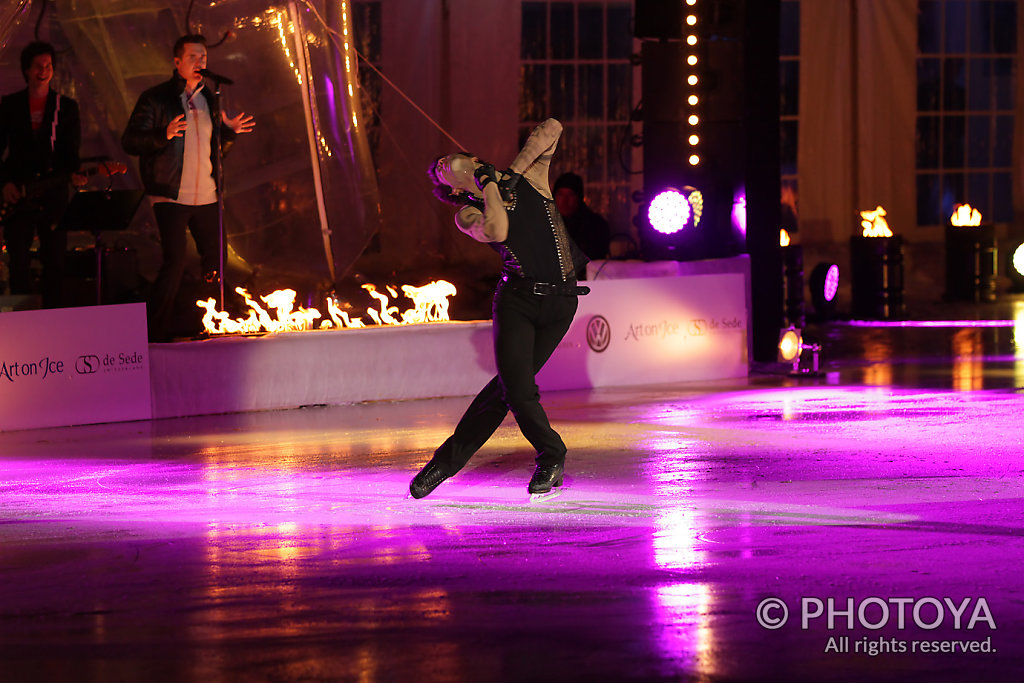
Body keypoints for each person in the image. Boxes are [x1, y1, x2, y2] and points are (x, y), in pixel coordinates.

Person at [412, 118, 589, 498]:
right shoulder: (467, 214)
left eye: (445, 160)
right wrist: (491, 184)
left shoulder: (530, 175)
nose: (442, 165)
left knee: (508, 390)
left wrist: (507, 174)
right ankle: (551, 455)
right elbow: (498, 230)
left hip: (561, 301)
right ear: (452, 189)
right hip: (517, 303)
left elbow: (553, 127)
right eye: (440, 173)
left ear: (469, 158)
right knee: (518, 390)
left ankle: (446, 460)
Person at [121, 34, 254, 342]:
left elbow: (215, 152)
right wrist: (163, 134)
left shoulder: (210, 98)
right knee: (175, 262)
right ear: (177, 62)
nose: (200, 63)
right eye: (193, 58)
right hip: (170, 193)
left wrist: (229, 134)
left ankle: (210, 323)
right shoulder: (156, 98)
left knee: (216, 262)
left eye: (204, 58)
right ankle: (152, 333)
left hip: (206, 194)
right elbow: (131, 140)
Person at [0, 41, 83, 308]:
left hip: (53, 194)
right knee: (19, 262)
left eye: (48, 66)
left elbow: (71, 153)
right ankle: (22, 327)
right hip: (18, 194)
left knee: (55, 261)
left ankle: (54, 323)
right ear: (26, 69)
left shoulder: (66, 108)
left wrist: (75, 174)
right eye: (38, 66)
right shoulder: (10, 106)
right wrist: (4, 183)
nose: (44, 71)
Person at [553, 172, 611, 266]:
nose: (564, 201)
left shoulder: (596, 226)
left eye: (570, 195)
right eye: (560, 194)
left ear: (579, 197)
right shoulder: (546, 225)